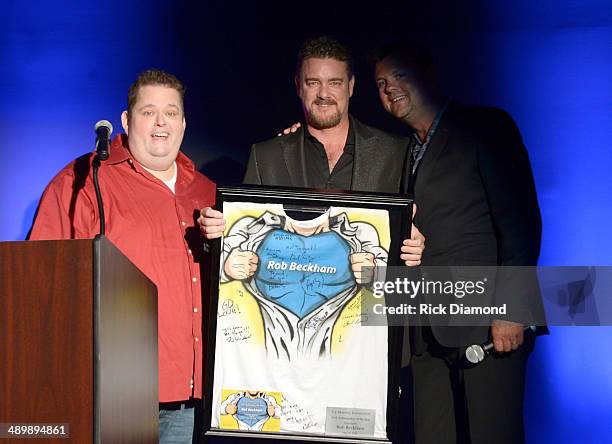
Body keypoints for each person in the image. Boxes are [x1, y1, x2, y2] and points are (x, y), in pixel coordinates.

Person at [29, 69, 215, 444]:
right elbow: (39, 278)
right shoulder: (85, 179)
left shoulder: (207, 192)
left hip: (187, 397)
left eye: (171, 112)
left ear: (183, 122)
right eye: (148, 112)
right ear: (127, 121)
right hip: (113, 392)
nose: (161, 122)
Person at [372, 42, 544, 443]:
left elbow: (520, 224)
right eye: (381, 82)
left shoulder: (485, 127)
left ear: (428, 75)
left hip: (488, 327)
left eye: (400, 75)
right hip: (426, 330)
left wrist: (513, 310)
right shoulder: (405, 151)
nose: (390, 88)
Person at [199, 36, 425, 265]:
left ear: (351, 86)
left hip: (368, 295)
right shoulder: (267, 156)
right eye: (313, 82)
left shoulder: (395, 152)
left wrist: (414, 244)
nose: (324, 94)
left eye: (334, 82)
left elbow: (411, 231)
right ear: (299, 86)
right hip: (289, 296)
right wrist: (216, 233)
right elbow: (245, 238)